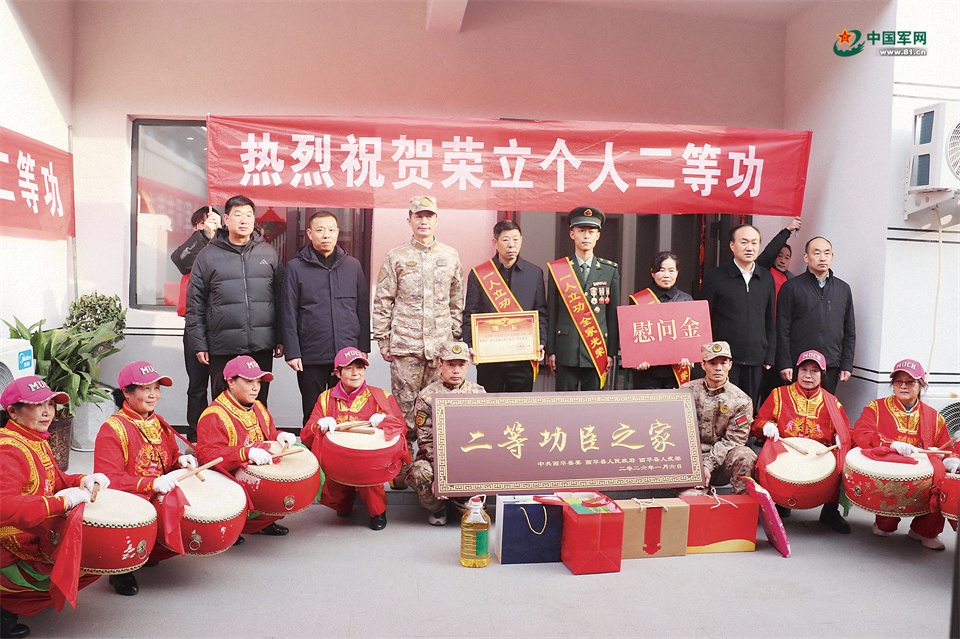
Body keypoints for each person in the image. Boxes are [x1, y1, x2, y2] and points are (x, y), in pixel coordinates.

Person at [1, 377, 110, 639]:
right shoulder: (7, 450)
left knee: (98, 556)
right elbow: (4, 506)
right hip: (8, 544)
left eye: (50, 404)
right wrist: (62, 502)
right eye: (37, 405)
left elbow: (54, 481)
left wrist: (82, 479)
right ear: (12, 411)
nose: (47, 412)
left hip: (35, 528)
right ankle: (5, 610)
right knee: (89, 560)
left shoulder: (33, 439)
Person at [373, 195, 462, 484]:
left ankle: (433, 469)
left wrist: (454, 340)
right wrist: (382, 338)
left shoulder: (450, 255)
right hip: (406, 347)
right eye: (418, 216)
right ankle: (402, 466)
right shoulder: (396, 256)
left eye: (429, 216)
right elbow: (383, 299)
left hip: (440, 350)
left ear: (437, 220)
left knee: (437, 410)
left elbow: (456, 301)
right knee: (405, 410)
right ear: (409, 220)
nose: (424, 221)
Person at [92, 360, 198, 596]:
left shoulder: (158, 422)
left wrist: (180, 461)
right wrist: (151, 483)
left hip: (157, 492)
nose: (153, 395)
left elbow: (170, 456)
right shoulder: (112, 429)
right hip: (129, 499)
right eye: (146, 389)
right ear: (126, 393)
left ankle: (149, 550)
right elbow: (109, 479)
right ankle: (120, 570)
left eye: (156, 388)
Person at [852, 358, 960, 551]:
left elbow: (947, 447)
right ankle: (885, 523)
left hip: (925, 476)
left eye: (910, 382)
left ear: (921, 386)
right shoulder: (876, 408)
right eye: (898, 381)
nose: (903, 386)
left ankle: (924, 531)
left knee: (942, 480)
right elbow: (861, 432)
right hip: (890, 470)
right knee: (885, 523)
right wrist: (890, 444)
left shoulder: (934, 417)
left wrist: (948, 458)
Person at [186, 194, 283, 404]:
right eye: (238, 215)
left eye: (248, 215)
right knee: (224, 405)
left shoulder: (268, 253)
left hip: (260, 344)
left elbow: (280, 298)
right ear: (226, 219)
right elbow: (195, 304)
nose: (244, 220)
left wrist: (280, 337)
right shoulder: (207, 255)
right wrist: (199, 343)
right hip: (222, 346)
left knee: (258, 403)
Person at [300, 347, 407, 531]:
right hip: (337, 463)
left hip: (369, 463)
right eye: (349, 368)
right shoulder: (325, 398)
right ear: (337, 373)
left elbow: (401, 428)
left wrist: (385, 421)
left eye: (360, 367)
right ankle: (344, 503)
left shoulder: (381, 396)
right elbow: (306, 435)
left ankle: (378, 513)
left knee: (371, 483)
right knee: (335, 495)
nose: (355, 373)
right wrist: (319, 425)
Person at [281, 210, 370, 424]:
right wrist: (292, 351)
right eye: (320, 230)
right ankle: (313, 447)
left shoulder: (352, 265)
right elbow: (288, 311)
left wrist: (362, 348)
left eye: (331, 230)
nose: (326, 235)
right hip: (311, 353)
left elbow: (362, 309)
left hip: (347, 354)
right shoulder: (295, 267)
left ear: (338, 232)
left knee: (346, 412)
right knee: (313, 412)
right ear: (309, 233)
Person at [195, 355, 296, 541]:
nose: (255, 387)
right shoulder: (214, 415)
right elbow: (207, 457)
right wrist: (244, 452)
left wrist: (279, 436)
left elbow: (269, 433)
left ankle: (263, 523)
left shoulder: (258, 406)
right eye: (249, 381)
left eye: (258, 381)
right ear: (230, 382)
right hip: (230, 477)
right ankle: (232, 525)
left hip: (256, 472)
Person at [751, 350, 852, 533]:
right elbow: (757, 423)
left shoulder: (832, 402)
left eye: (814, 371)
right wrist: (766, 426)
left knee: (841, 460)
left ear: (822, 375)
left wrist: (842, 436)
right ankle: (777, 502)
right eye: (804, 369)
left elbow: (847, 432)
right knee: (763, 456)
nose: (808, 375)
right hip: (785, 454)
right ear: (796, 372)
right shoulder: (778, 394)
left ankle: (830, 511)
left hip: (817, 457)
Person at [406, 341, 485, 525]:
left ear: (467, 366)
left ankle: (460, 503)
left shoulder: (478, 392)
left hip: (468, 458)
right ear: (440, 365)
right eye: (451, 364)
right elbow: (426, 441)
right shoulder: (427, 396)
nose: (456, 370)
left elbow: (486, 432)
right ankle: (438, 508)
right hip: (436, 459)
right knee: (420, 472)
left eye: (461, 364)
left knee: (469, 515)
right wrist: (442, 477)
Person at [462, 220, 547, 393]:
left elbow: (541, 312)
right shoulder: (479, 274)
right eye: (506, 240)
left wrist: (541, 342)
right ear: (495, 242)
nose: (511, 245)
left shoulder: (534, 273)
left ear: (521, 240)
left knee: (519, 405)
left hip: (522, 357)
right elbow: (470, 312)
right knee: (489, 405)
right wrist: (470, 344)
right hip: (490, 358)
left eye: (516, 239)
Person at [698, 224, 776, 411]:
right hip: (722, 359)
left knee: (748, 408)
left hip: (756, 357)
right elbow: (704, 318)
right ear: (732, 245)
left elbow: (770, 318)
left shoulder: (766, 278)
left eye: (754, 243)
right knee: (721, 408)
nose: (749, 247)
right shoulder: (716, 277)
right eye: (744, 242)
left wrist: (769, 355)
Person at [547, 206, 620, 391]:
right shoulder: (559, 270)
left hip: (597, 349)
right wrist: (551, 350)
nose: (586, 236)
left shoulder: (609, 270)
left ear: (598, 235)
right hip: (566, 349)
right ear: (572, 234)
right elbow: (552, 312)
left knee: (593, 405)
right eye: (581, 231)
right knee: (564, 403)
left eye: (591, 231)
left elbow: (612, 315)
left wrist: (611, 352)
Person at [776, 236, 856, 395]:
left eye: (827, 253)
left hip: (830, 364)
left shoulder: (843, 289)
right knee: (796, 407)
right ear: (806, 257)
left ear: (832, 256)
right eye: (817, 253)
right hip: (799, 365)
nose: (822, 258)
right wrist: (785, 363)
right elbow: (782, 329)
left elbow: (849, 330)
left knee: (825, 407)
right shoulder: (791, 287)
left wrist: (846, 364)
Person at [679, 341, 757, 494]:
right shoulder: (686, 391)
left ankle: (742, 504)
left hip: (721, 463)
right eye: (713, 363)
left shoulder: (741, 400)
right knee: (691, 498)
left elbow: (734, 440)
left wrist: (708, 464)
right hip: (689, 462)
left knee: (746, 456)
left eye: (723, 363)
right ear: (703, 365)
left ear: (730, 365)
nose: (718, 368)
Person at [171, 206, 221, 441]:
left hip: (222, 326)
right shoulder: (192, 250)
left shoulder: (226, 249)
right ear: (196, 227)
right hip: (194, 326)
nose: (209, 226)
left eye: (214, 222)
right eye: (203, 223)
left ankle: (221, 436)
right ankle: (195, 437)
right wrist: (205, 235)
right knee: (197, 385)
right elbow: (179, 261)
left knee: (222, 386)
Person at [629, 251, 694, 390]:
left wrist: (690, 355)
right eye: (661, 270)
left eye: (671, 270)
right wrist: (637, 359)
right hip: (647, 372)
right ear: (652, 273)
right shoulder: (638, 300)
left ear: (677, 272)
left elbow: (691, 335)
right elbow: (631, 335)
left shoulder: (686, 300)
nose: (666, 275)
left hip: (676, 370)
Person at [756, 216, 801, 300]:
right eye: (780, 256)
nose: (783, 261)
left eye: (787, 258)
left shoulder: (793, 281)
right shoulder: (763, 271)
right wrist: (787, 230)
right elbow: (769, 253)